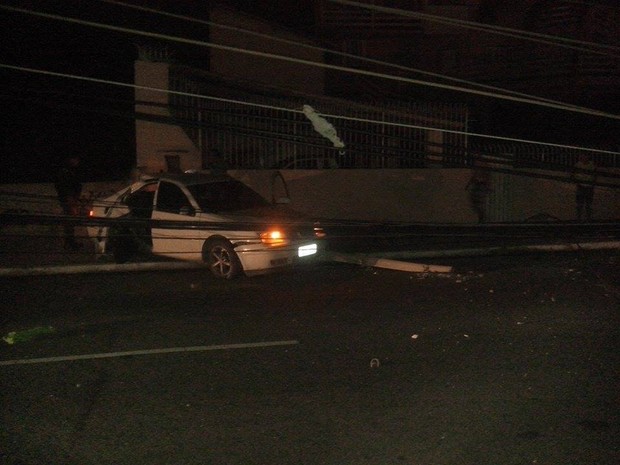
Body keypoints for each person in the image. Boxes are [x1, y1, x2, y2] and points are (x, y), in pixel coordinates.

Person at [54, 156, 83, 249]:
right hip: (68, 200)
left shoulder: (68, 172)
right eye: (75, 159)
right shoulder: (65, 173)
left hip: (70, 199)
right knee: (69, 221)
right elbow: (66, 188)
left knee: (70, 221)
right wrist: (70, 200)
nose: (77, 161)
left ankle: (69, 242)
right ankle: (70, 243)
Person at [571, 154, 597, 221]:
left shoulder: (591, 165)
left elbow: (594, 175)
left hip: (588, 186)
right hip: (581, 186)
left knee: (588, 203)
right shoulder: (578, 165)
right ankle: (579, 217)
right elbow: (573, 174)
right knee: (580, 203)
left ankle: (587, 217)